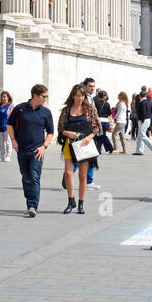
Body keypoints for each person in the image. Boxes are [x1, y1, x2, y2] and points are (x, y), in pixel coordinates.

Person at [7, 84, 53, 216]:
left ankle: (32, 205)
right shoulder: (20, 109)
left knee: (34, 177)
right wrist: (13, 140)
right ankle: (29, 200)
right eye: (44, 96)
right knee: (25, 177)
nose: (45, 99)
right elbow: (9, 124)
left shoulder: (46, 112)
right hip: (21, 149)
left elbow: (50, 133)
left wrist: (44, 147)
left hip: (37, 150)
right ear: (35, 95)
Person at [57, 85, 100, 215]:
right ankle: (71, 200)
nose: (80, 98)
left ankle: (81, 203)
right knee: (68, 173)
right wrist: (67, 133)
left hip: (84, 145)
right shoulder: (66, 110)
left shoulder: (90, 109)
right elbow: (60, 128)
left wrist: (89, 137)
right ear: (73, 96)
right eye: (77, 95)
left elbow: (97, 127)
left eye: (82, 96)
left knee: (83, 175)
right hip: (70, 144)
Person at [133, 84, 152, 155]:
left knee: (142, 135)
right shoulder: (149, 102)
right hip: (147, 119)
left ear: (140, 96)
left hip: (143, 120)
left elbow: (142, 112)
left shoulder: (142, 103)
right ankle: (139, 150)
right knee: (140, 135)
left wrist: (142, 119)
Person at [0, 90, 13, 162]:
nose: (3, 98)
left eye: (5, 97)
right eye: (2, 97)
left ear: (8, 98)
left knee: (8, 142)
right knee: (1, 143)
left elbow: (12, 117)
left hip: (7, 127)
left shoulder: (10, 106)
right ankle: (2, 157)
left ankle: (8, 156)